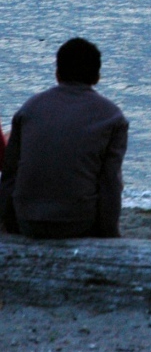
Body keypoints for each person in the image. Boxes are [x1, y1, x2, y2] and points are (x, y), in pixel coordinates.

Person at [0, 38, 128, 239]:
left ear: (57, 73)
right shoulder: (112, 116)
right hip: (77, 222)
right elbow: (109, 183)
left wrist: (9, 225)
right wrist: (111, 234)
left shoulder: (29, 109)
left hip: (27, 220)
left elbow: (9, 174)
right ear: (97, 77)